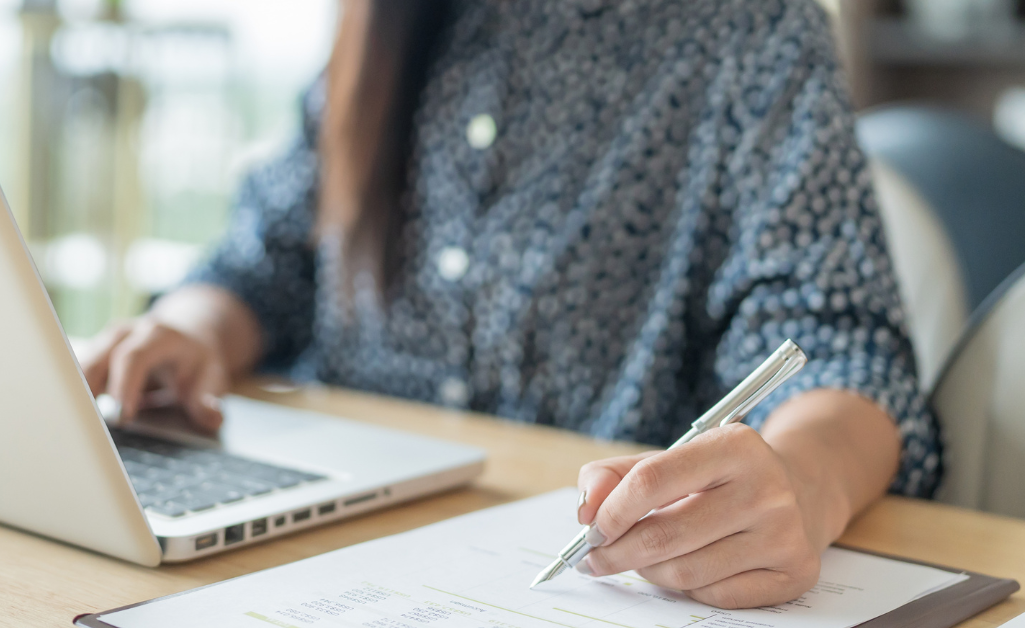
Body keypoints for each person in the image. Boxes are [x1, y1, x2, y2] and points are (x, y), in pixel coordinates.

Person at [79, 0, 941, 610]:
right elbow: (262, 258)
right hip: (327, 546)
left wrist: (803, 482)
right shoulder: (385, 24)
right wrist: (190, 330)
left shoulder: (751, 33)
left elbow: (841, 349)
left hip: (598, 568)